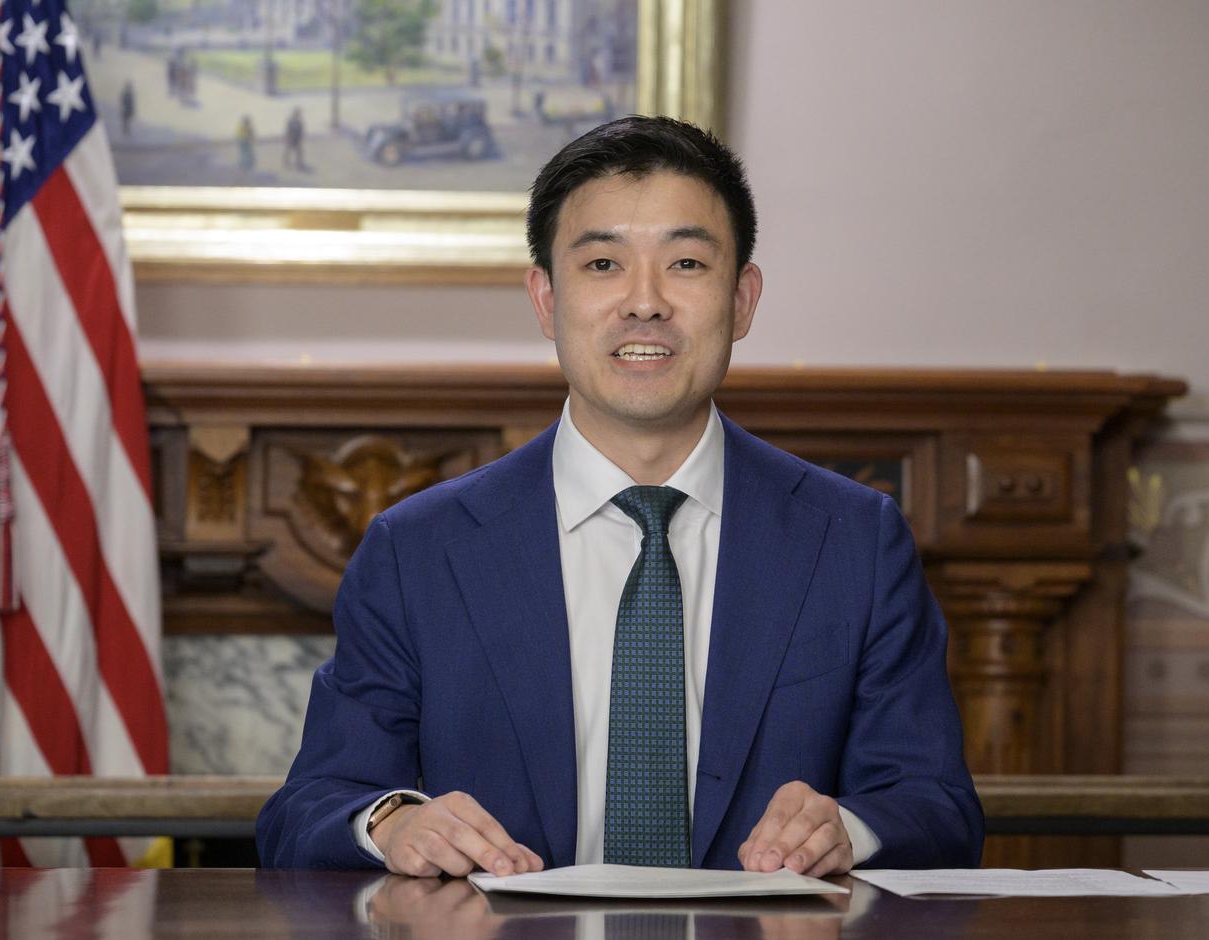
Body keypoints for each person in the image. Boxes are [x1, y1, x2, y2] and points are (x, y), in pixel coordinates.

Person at [257, 116, 983, 876]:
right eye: (603, 263)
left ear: (742, 299)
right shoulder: (419, 548)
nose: (645, 303)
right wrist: (392, 823)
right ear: (545, 298)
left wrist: (847, 828)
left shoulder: (853, 540)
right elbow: (309, 807)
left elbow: (937, 806)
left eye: (687, 265)